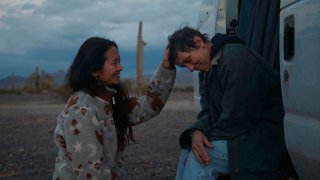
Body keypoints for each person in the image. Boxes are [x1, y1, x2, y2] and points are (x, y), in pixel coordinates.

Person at [166, 26, 295, 179]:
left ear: (198, 41)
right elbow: (207, 111)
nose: (191, 68)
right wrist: (198, 131)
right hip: (241, 135)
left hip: (263, 140)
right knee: (188, 150)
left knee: (198, 158)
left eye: (188, 60)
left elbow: (237, 118)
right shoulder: (207, 71)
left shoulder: (236, 60)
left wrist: (204, 137)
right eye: (185, 66)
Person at [52, 37, 175, 180]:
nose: (120, 67)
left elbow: (147, 107)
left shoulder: (108, 101)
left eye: (119, 61)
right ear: (95, 71)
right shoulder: (81, 112)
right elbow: (92, 175)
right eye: (114, 63)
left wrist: (166, 67)